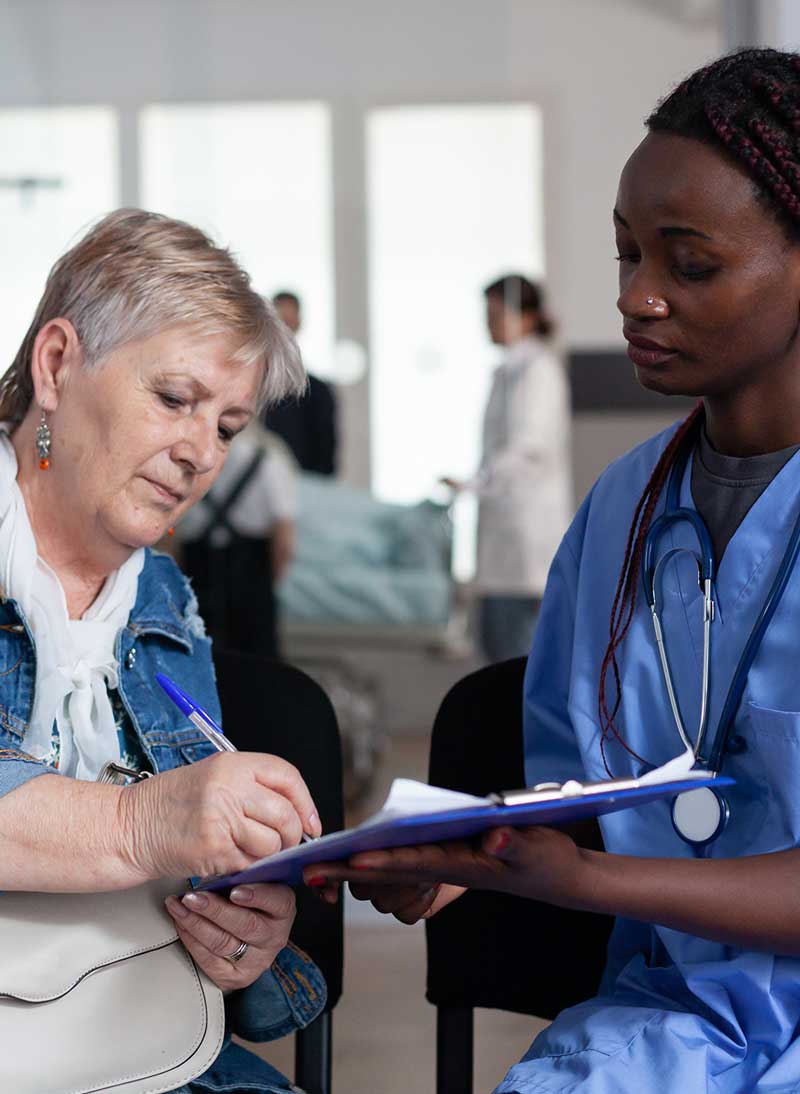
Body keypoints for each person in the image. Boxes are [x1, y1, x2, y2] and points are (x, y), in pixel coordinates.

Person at [305, 49, 800, 1092]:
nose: (637, 298)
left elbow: (589, 851)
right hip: (671, 1018)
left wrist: (586, 875)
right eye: (625, 256)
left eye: (688, 264)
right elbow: (573, 786)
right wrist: (457, 863)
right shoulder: (620, 512)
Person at [0, 208, 326, 1094]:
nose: (197, 454)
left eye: (226, 427)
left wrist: (242, 932)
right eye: (174, 399)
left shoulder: (165, 603)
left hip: (142, 1039)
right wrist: (138, 823)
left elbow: (189, 871)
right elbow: (150, 826)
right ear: (58, 365)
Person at [443, 275, 572, 663]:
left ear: (528, 318)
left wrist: (474, 483)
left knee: (517, 660)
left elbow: (529, 450)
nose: (489, 323)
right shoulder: (509, 370)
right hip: (505, 540)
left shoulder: (537, 370)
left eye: (497, 314)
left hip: (525, 539)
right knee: (499, 653)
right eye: (487, 314)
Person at [179, 420, 298, 659]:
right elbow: (284, 540)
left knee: (198, 654)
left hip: (197, 563)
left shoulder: (190, 457)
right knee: (257, 660)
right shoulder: (270, 459)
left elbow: (171, 534)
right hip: (252, 567)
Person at [263, 291, 338, 475]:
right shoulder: (249, 382)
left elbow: (326, 457)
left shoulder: (317, 391)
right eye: (280, 321)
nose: (285, 329)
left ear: (298, 324)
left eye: (289, 322)